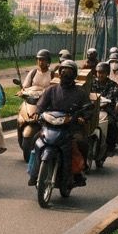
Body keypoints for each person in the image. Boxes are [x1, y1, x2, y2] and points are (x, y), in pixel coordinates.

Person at [30, 59, 92, 187]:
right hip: (50, 126)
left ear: (74, 74)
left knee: (81, 142)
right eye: (63, 71)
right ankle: (33, 173)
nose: (65, 73)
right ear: (59, 73)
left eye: (69, 71)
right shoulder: (51, 90)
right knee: (35, 138)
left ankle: (79, 172)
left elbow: (88, 109)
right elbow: (41, 105)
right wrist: (37, 113)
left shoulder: (80, 92)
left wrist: (83, 118)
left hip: (71, 127)